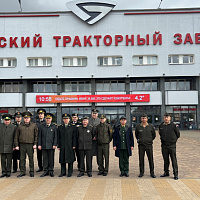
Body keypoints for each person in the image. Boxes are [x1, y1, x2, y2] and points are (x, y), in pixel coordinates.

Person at [14, 111, 38, 177]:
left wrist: (35, 144)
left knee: (31, 159)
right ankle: (22, 172)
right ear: (23, 119)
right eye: (25, 118)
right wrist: (16, 145)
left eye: (28, 118)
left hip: (30, 145)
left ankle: (32, 171)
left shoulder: (33, 125)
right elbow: (16, 136)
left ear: (30, 118)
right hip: (22, 145)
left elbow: (36, 135)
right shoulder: (20, 126)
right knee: (22, 159)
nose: (26, 119)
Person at [159, 112, 180, 180]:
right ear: (163, 118)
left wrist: (173, 141)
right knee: (165, 160)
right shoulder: (161, 125)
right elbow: (160, 134)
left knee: (173, 160)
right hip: (164, 145)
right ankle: (166, 172)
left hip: (172, 145)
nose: (166, 118)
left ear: (170, 118)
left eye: (167, 117)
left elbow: (178, 134)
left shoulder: (173, 125)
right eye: (165, 117)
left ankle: (175, 174)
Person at [135, 113, 156, 178]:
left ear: (147, 119)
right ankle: (141, 172)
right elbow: (136, 135)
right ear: (141, 119)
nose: (144, 119)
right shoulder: (138, 126)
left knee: (150, 159)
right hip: (141, 145)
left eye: (145, 118)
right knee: (141, 159)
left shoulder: (150, 126)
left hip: (149, 145)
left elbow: (154, 135)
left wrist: (149, 140)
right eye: (142, 118)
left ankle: (152, 173)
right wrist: (140, 140)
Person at [38, 113, 57, 177]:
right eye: (47, 119)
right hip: (44, 145)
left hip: (51, 146)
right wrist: (39, 144)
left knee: (51, 159)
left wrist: (54, 144)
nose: (48, 120)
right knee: (45, 159)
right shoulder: (42, 126)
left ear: (51, 119)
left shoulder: (54, 126)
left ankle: (51, 171)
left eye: (49, 119)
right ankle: (45, 171)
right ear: (45, 119)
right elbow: (39, 136)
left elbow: (55, 137)